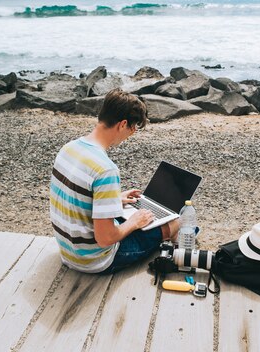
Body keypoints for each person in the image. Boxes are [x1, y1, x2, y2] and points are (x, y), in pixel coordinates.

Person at [49, 89, 179, 274]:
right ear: (123, 124)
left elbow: (76, 198)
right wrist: (134, 222)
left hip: (68, 250)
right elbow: (105, 239)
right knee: (176, 221)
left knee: (137, 215)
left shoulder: (68, 149)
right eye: (133, 128)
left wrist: (114, 199)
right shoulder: (105, 170)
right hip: (94, 260)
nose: (132, 134)